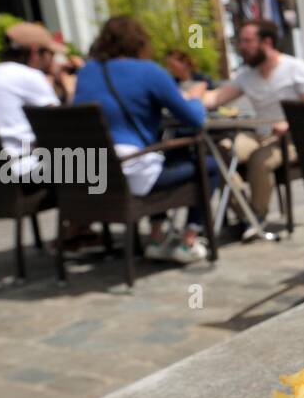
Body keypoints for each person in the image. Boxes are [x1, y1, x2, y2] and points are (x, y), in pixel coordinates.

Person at [73, 16, 217, 265]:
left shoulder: (87, 72)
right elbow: (194, 120)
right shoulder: (149, 72)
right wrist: (195, 97)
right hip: (131, 172)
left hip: (91, 173)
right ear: (139, 41)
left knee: (167, 156)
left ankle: (158, 236)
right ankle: (189, 240)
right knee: (210, 165)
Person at [201, 19, 304, 226]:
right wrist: (184, 95)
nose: (242, 47)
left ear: (267, 42)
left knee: (260, 160)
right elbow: (216, 98)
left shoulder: (296, 69)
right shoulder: (246, 76)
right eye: (240, 42)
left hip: (291, 139)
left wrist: (289, 123)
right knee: (218, 154)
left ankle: (257, 216)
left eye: (247, 41)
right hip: (258, 134)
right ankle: (245, 214)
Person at [0, 21, 69, 176]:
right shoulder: (30, 76)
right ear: (35, 51)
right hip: (23, 169)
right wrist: (68, 88)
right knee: (97, 166)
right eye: (51, 53)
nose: (52, 59)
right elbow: (63, 128)